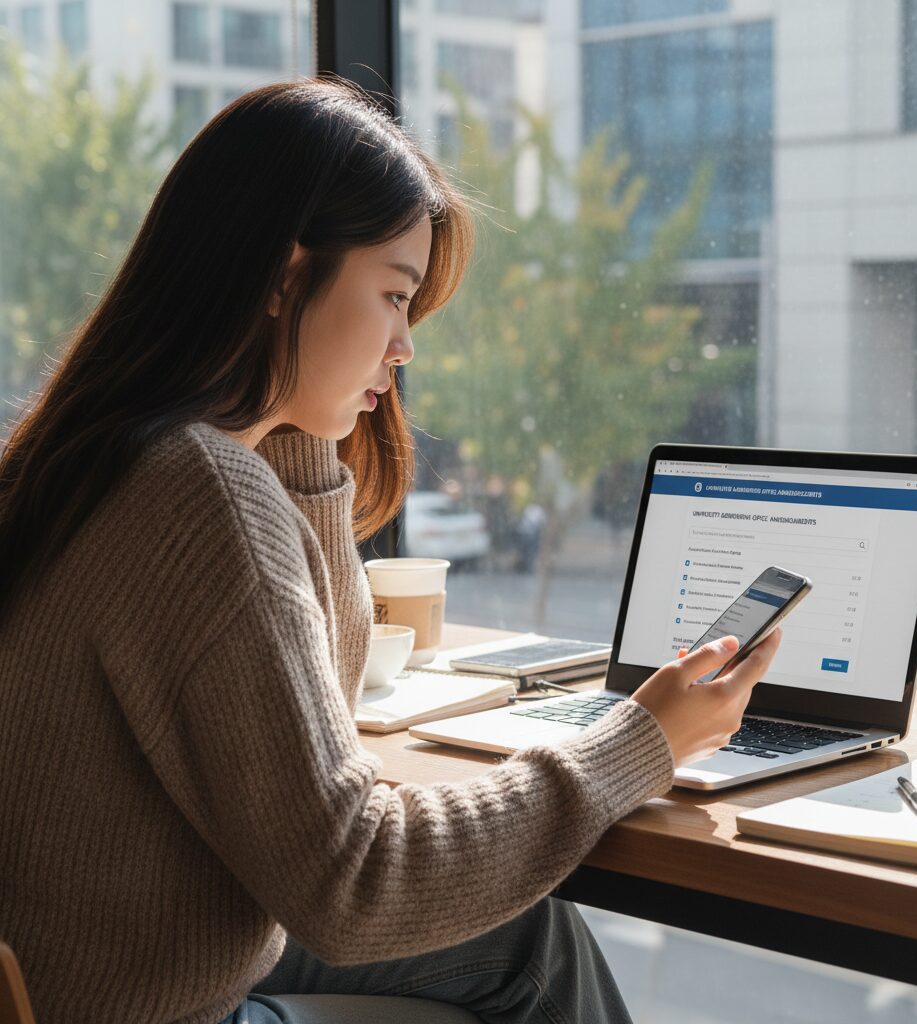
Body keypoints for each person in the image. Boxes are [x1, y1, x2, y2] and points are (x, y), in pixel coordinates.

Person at [0, 79, 781, 1024]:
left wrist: (297, 422)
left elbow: (322, 726)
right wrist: (640, 742)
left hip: (84, 972)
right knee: (526, 940)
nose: (406, 345)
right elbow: (356, 884)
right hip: (155, 1007)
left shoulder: (94, 454)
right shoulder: (198, 490)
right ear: (285, 279)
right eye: (394, 296)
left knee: (526, 934)